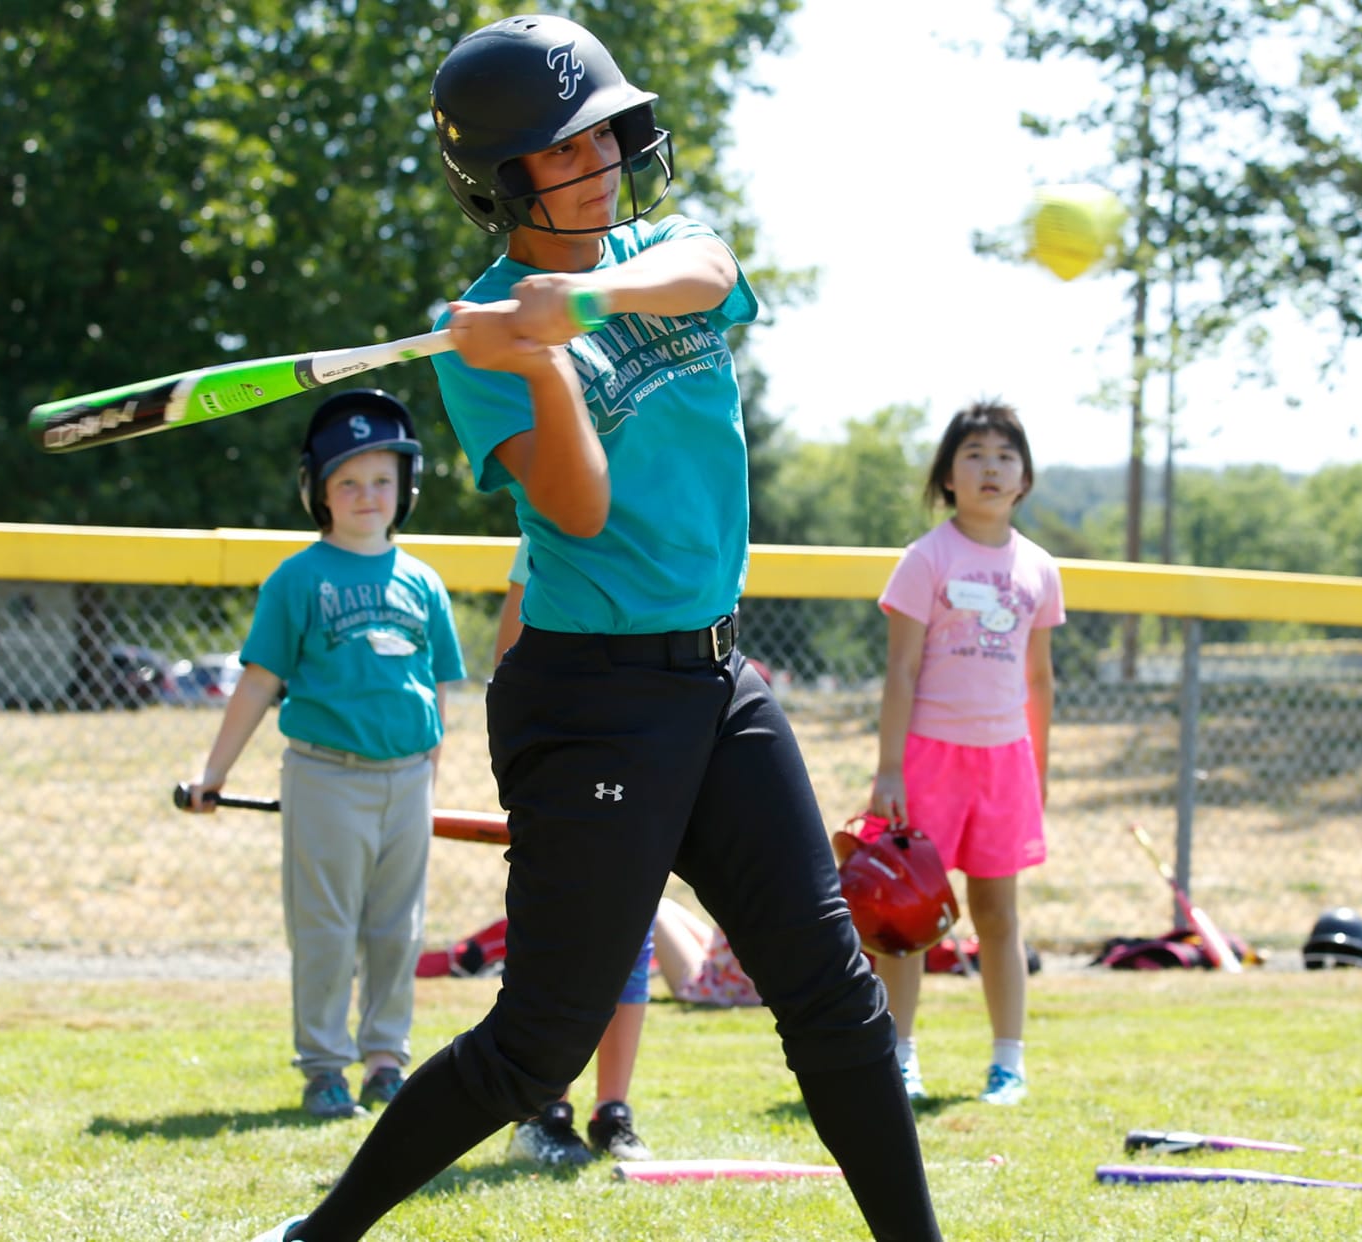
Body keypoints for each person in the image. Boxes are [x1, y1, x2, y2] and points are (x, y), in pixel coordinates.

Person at [248, 16, 939, 1241]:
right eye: (569, 149)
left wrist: (577, 302)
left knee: (832, 996)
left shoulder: (654, 245)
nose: (607, 157)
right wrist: (542, 360)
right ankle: (320, 1231)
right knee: (539, 1044)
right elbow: (578, 504)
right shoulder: (481, 344)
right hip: (593, 700)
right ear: (505, 179)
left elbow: (711, 277)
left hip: (720, 683)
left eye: (609, 130)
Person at [184, 390, 466, 1119]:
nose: (368, 496)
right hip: (325, 776)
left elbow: (436, 691)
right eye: (348, 482)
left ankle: (384, 1060)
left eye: (382, 480)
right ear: (318, 493)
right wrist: (213, 776)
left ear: (407, 487)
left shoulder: (424, 581)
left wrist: (430, 777)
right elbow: (257, 685)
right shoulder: (297, 579)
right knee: (327, 928)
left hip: (407, 779)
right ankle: (323, 1066)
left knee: (397, 930)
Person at [865, 400, 1062, 1107]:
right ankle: (900, 1056)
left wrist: (1036, 770)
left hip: (1003, 764)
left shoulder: (1040, 568)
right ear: (948, 476)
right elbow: (902, 673)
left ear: (1024, 479)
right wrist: (889, 769)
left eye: (1005, 455)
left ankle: (1008, 1063)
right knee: (908, 918)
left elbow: (1039, 679)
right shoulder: (927, 560)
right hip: (926, 761)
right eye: (974, 454)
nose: (991, 467)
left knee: (999, 916)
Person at [494, 534, 654, 1165]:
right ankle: (543, 1111)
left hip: (644, 759)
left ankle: (613, 1112)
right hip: (563, 760)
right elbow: (511, 656)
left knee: (630, 937)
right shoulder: (542, 533)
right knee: (558, 937)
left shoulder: (663, 531)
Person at [651, 894, 763, 1008]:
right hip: (721, 957)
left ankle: (636, 974)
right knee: (664, 904)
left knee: (653, 910)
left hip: (720, 986)